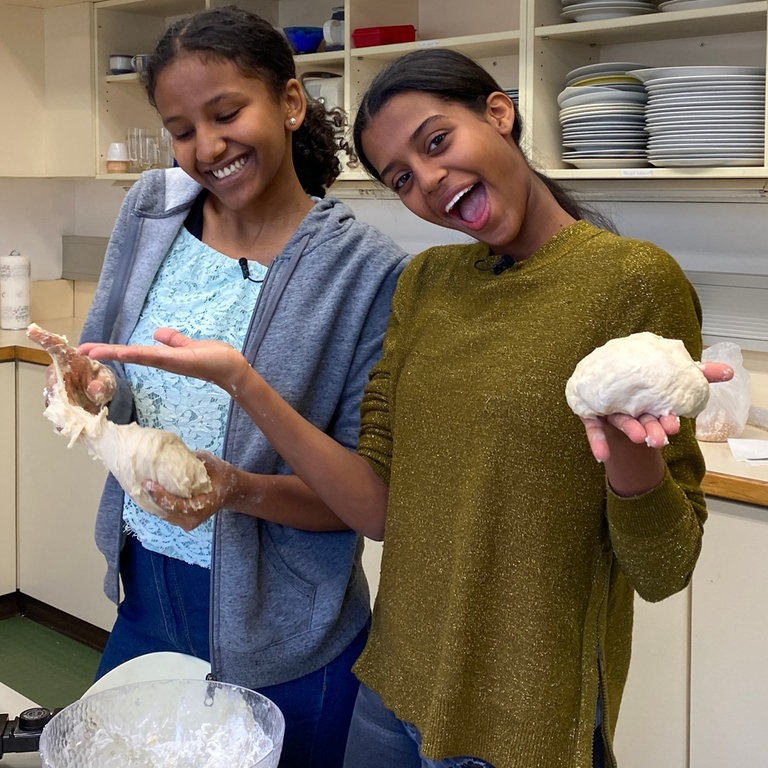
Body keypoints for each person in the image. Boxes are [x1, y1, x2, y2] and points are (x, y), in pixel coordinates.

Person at [79, 49, 734, 768]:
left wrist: (630, 453)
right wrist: (241, 384)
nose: (427, 181)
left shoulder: (633, 280)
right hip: (390, 695)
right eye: (400, 177)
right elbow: (374, 504)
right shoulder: (427, 284)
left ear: (499, 113)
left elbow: (665, 566)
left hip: (528, 716)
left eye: (436, 142)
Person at [57, 7, 409, 768]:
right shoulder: (151, 211)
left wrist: (238, 485)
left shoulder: (365, 271)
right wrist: (94, 391)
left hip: (285, 616)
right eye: (182, 129)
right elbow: (118, 381)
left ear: (289, 102)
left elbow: (367, 500)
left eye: (226, 113)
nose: (206, 148)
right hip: (146, 588)